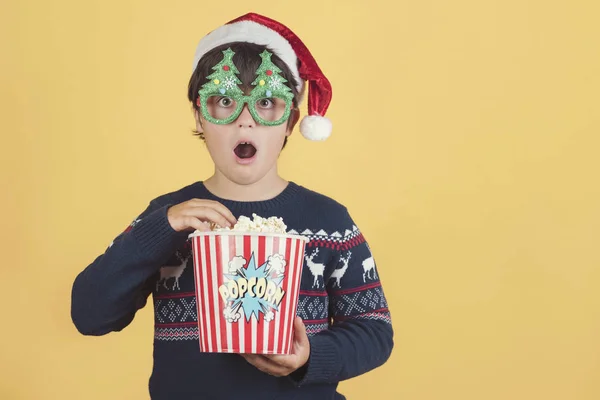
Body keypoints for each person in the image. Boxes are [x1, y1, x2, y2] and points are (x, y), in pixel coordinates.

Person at [71, 12, 393, 399]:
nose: (245, 122)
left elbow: (374, 330)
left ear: (290, 121)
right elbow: (89, 315)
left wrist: (310, 357)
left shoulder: (329, 222)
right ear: (199, 116)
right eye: (225, 101)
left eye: (267, 103)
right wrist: (160, 228)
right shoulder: (167, 218)